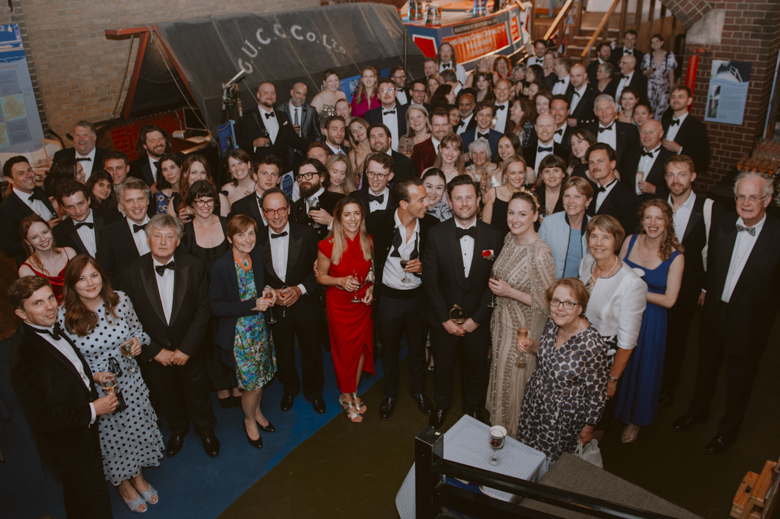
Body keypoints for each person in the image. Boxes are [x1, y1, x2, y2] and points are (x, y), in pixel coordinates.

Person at [673, 171, 780, 454]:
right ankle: (697, 411)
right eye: (740, 196)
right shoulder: (721, 222)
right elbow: (712, 265)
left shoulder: (777, 236)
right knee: (705, 368)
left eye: (753, 197)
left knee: (740, 381)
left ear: (767, 200)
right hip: (714, 313)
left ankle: (727, 432)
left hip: (750, 321)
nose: (745, 203)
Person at [58, 255, 164, 513]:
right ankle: (123, 484)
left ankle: (137, 476)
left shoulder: (120, 299)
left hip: (131, 379)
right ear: (72, 285)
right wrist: (94, 376)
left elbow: (139, 331)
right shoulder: (64, 315)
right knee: (113, 438)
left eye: (94, 275)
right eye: (81, 279)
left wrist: (137, 343)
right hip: (99, 389)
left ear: (102, 276)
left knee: (136, 427)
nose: (90, 283)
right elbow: (67, 361)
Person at [9, 276, 118, 519]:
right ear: (21, 313)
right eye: (38, 303)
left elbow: (66, 369)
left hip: (80, 435)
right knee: (97, 504)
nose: (50, 307)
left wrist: (91, 377)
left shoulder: (49, 327)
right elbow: (42, 418)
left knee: (78, 500)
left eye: (50, 298)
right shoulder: (26, 356)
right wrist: (93, 409)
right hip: (70, 448)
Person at [120, 214, 220, 458]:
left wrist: (186, 349)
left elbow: (203, 311)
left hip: (189, 348)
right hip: (155, 353)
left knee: (197, 392)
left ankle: (206, 430)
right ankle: (178, 430)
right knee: (167, 395)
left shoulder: (195, 265)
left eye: (169, 236)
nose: (163, 242)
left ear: (178, 241)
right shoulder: (130, 271)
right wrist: (154, 351)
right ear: (148, 239)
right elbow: (128, 318)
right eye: (157, 236)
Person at [422, 175, 504, 428]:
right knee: (443, 367)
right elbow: (430, 282)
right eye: (458, 198)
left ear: (478, 200)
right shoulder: (435, 234)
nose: (465, 203)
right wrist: (444, 320)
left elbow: (496, 281)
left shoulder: (495, 236)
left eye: (469, 197)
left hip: (478, 319)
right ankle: (442, 405)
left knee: (477, 369)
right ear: (450, 201)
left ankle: (474, 408)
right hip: (443, 320)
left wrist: (477, 319)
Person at [486, 190, 556, 437]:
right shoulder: (509, 238)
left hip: (522, 332)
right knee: (501, 377)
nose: (515, 220)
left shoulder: (540, 253)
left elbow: (550, 303)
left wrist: (511, 292)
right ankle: (500, 428)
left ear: (535, 216)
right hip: (501, 324)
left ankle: (512, 435)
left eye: (522, 214)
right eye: (511, 213)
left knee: (513, 382)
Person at [516, 278, 609, 462]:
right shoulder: (553, 323)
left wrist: (589, 426)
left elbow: (598, 394)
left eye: (568, 303)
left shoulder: (592, 345)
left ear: (580, 308)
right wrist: (532, 344)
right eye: (556, 301)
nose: (560, 308)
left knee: (549, 462)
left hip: (561, 416)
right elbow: (552, 355)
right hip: (535, 402)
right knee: (526, 453)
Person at [615, 199, 683, 443]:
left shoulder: (676, 256)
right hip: (622, 312)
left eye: (659, 218)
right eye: (648, 217)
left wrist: (638, 289)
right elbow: (616, 272)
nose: (653, 223)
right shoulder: (630, 240)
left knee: (643, 367)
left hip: (650, 319)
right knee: (615, 362)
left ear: (667, 222)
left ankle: (636, 419)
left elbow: (669, 300)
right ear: (642, 220)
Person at [659, 155, 722, 407]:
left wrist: (705, 287)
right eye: (671, 174)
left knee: (676, 339)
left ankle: (668, 386)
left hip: (687, 287)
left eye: (682, 174)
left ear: (693, 176)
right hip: (653, 283)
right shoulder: (656, 204)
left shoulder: (709, 208)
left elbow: (715, 252)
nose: (676, 180)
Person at [373, 177, 438, 420]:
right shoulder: (378, 222)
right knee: (389, 351)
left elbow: (440, 263)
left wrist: (424, 267)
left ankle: (419, 391)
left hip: (419, 299)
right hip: (389, 299)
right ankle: (390, 394)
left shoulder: (431, 225)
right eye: (421, 200)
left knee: (418, 349)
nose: (427, 203)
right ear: (403, 204)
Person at [210, 215, 277, 448]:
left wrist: (267, 290)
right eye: (240, 235)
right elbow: (217, 307)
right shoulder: (221, 267)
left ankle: (257, 412)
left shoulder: (255, 254)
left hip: (260, 330)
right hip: (239, 337)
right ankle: (249, 419)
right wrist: (251, 304)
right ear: (230, 238)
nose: (247, 239)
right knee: (253, 385)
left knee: (261, 378)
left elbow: (260, 285)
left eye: (251, 233)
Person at [257, 189, 326, 414]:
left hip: (306, 305)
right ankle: (290, 389)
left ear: (288, 209)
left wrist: (300, 289)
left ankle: (314, 392)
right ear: (263, 212)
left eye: (280, 209)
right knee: (283, 353)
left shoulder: (307, 233)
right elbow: (255, 277)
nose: (276, 216)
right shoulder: (255, 239)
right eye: (270, 211)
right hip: (276, 310)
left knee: (311, 352)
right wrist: (270, 292)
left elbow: (320, 270)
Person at [579, 215, 647, 440]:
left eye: (605, 237)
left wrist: (612, 380)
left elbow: (627, 343)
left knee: (595, 421)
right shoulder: (587, 262)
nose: (598, 243)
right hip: (578, 350)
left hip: (603, 360)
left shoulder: (632, 284)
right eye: (594, 236)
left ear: (616, 241)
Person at [179, 180, 241, 409]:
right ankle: (220, 385)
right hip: (201, 299)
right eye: (200, 201)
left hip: (230, 295)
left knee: (232, 339)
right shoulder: (184, 232)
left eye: (209, 200)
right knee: (210, 342)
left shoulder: (227, 225)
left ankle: (236, 382)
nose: (205, 205)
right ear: (191, 204)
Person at [316, 197, 375, 422]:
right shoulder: (327, 244)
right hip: (340, 306)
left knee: (359, 350)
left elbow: (372, 272)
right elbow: (321, 277)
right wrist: (339, 281)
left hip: (363, 305)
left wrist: (372, 288)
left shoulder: (368, 240)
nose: (352, 219)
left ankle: (353, 392)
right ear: (339, 218)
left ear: (362, 217)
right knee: (344, 354)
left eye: (357, 213)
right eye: (347, 214)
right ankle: (345, 396)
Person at [235, 82, 308, 172]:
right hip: (259, 170)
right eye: (266, 92)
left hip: (281, 170)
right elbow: (237, 144)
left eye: (272, 93)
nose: (270, 96)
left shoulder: (283, 116)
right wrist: (253, 143)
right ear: (258, 95)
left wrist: (314, 147)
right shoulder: (246, 117)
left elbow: (294, 140)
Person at [0, 156, 58, 265]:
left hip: (58, 254)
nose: (28, 175)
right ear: (10, 179)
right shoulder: (6, 208)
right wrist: (43, 232)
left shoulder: (38, 191)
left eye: (29, 170)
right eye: (21, 173)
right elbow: (9, 248)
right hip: (37, 264)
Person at [97, 177, 152, 288]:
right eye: (129, 201)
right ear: (121, 205)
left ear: (147, 200)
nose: (136, 205)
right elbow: (105, 274)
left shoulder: (164, 226)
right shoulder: (109, 234)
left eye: (140, 199)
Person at [539, 177, 593, 279]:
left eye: (577, 196)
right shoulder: (549, 223)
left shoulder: (595, 227)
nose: (571, 201)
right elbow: (537, 257)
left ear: (588, 201)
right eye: (567, 196)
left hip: (582, 287)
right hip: (551, 284)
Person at [53, 181, 121, 257]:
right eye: (70, 207)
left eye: (80, 204)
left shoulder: (113, 218)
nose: (78, 211)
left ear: (88, 200)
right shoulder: (58, 233)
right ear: (63, 208)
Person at [585, 143, 642, 235]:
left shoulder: (631, 200)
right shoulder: (588, 194)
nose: (595, 166)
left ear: (612, 164)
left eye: (600, 161)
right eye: (591, 162)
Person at [18, 215, 76, 301]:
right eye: (34, 237)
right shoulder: (26, 270)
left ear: (50, 230)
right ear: (27, 241)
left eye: (45, 232)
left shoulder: (69, 253)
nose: (43, 239)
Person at [584, 95, 641, 178]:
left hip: (622, 179)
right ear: (595, 112)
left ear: (614, 108)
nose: (604, 113)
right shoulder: (587, 131)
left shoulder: (630, 131)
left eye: (607, 108)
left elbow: (634, 160)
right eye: (600, 109)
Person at [661, 85, 711, 175]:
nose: (676, 100)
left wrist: (679, 149)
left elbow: (704, 159)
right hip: (661, 174)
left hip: (682, 176)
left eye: (680, 97)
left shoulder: (697, 127)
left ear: (689, 101)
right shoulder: (665, 123)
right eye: (673, 97)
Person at [292, 158, 346, 240]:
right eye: (300, 176)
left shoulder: (340, 200)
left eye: (308, 175)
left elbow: (353, 232)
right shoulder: (296, 206)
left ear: (322, 177)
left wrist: (330, 221)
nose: (303, 180)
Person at [167, 154, 228, 222]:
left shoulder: (220, 198)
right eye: (194, 172)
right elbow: (168, 227)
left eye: (203, 172)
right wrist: (179, 222)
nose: (199, 177)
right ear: (185, 174)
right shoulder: (175, 201)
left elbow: (227, 226)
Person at [277, 81, 323, 168]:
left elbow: (318, 135)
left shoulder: (311, 111)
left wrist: (314, 153)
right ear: (291, 92)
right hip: (287, 157)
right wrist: (289, 132)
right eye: (298, 93)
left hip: (306, 155)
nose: (301, 97)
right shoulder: (279, 110)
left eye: (304, 95)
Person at [229, 155, 281, 228]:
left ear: (278, 179)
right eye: (264, 173)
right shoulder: (240, 208)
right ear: (255, 176)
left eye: (273, 174)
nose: (269, 178)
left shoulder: (289, 204)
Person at [635, 119, 676, 199]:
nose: (646, 136)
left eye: (651, 132)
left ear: (661, 134)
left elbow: (676, 188)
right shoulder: (630, 154)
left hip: (655, 203)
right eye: (643, 132)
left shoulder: (670, 159)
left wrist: (654, 189)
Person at [364, 78, 408, 152]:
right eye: (383, 91)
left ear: (396, 92)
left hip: (403, 154)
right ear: (378, 95)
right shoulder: (369, 116)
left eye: (390, 90)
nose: (387, 94)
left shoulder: (406, 112)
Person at [642, 34, 678, 120]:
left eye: (657, 41)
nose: (655, 44)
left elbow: (671, 74)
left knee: (662, 109)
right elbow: (643, 73)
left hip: (663, 87)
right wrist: (649, 72)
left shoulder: (669, 55)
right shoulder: (648, 56)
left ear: (662, 42)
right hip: (651, 87)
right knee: (649, 108)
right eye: (652, 42)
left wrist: (671, 90)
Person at [411, 108, 451, 176]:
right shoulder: (420, 149)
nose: (441, 129)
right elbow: (417, 177)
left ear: (449, 126)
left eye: (444, 125)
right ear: (430, 126)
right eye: (436, 125)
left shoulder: (456, 148)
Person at [535, 154, 568, 219]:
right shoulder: (534, 194)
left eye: (556, 171)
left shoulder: (570, 195)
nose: (551, 176)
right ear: (541, 175)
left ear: (563, 173)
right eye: (547, 171)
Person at [567, 64, 598, 128]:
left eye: (578, 75)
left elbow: (597, 119)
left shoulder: (594, 95)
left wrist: (579, 122)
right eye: (572, 76)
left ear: (585, 76)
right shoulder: (568, 92)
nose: (574, 79)